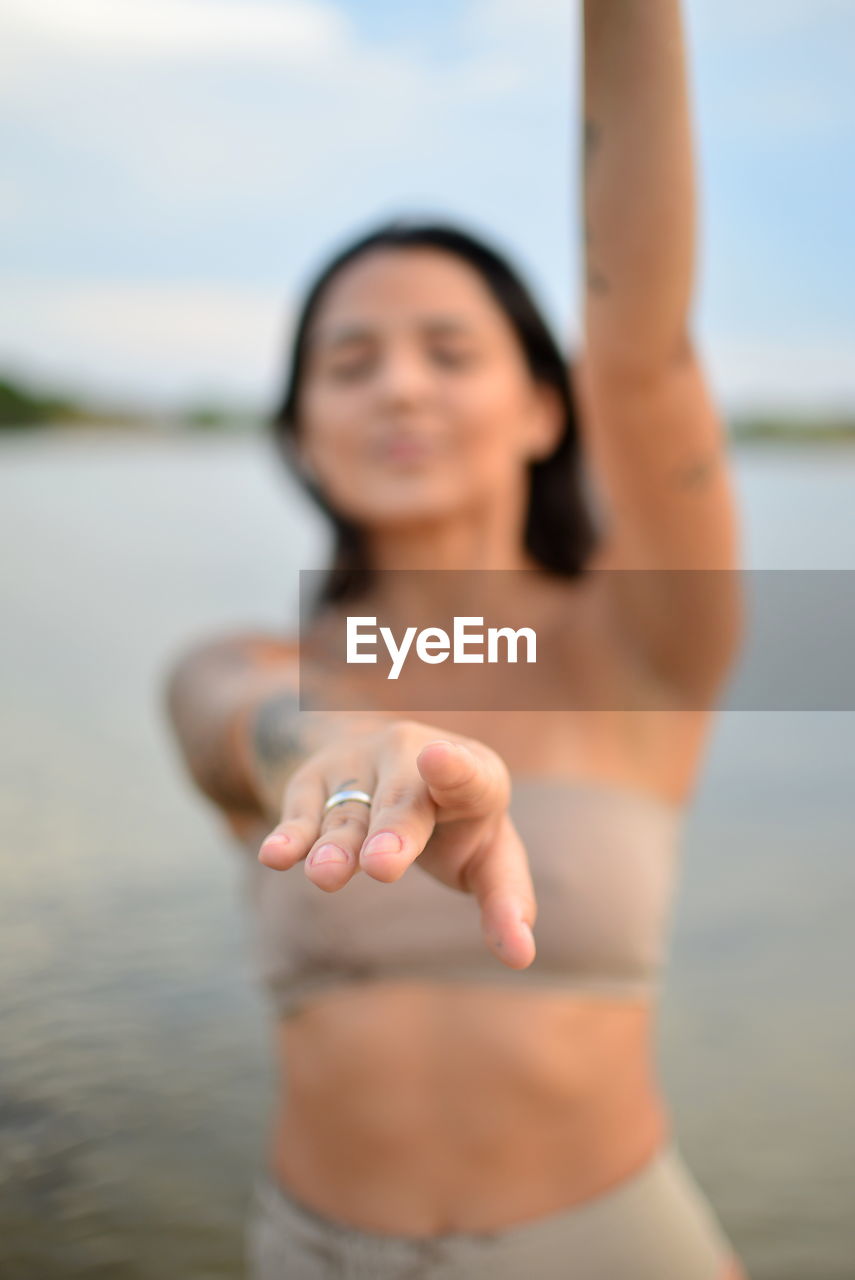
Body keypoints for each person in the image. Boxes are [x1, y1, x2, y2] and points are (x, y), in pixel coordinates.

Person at [163, 2, 749, 1275]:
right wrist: (332, 739)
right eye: (351, 360)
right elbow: (210, 702)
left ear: (546, 406)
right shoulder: (273, 663)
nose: (401, 386)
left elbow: (642, 347)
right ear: (304, 426)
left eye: (448, 349)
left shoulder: (643, 643)